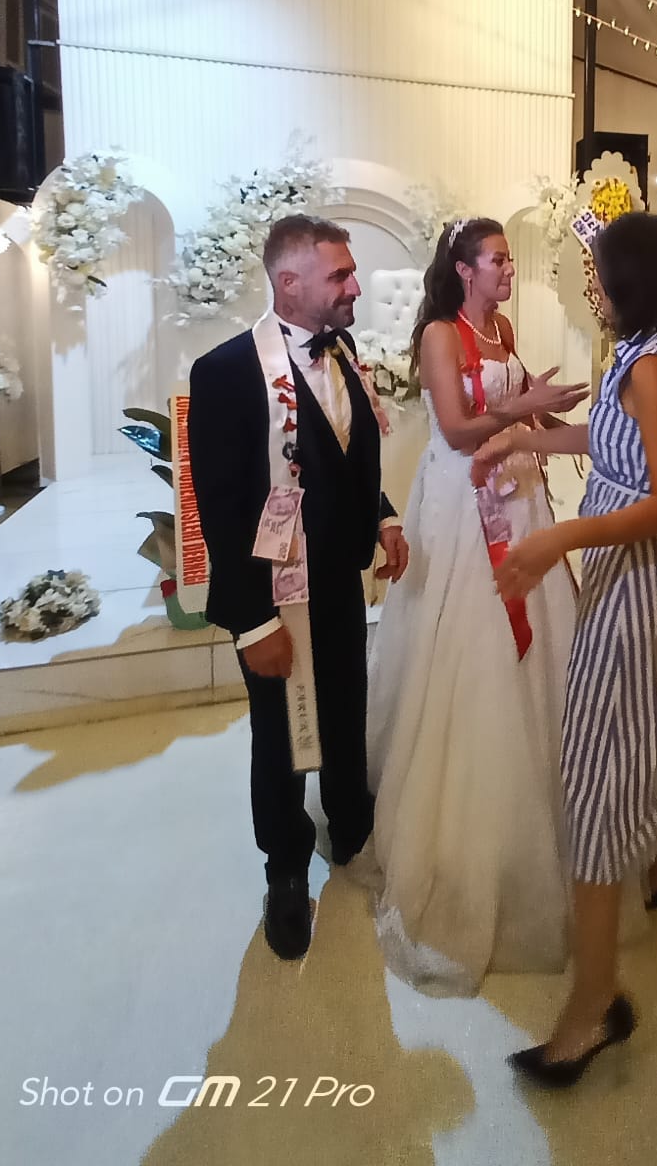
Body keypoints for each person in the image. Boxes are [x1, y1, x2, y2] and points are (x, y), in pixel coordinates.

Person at [475, 212, 657, 1087]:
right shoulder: (652, 352)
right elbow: (618, 443)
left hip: (641, 577)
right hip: (642, 569)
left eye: (598, 273)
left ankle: (594, 1001)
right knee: (645, 729)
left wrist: (556, 538)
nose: (590, 287)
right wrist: (530, 435)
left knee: (599, 763)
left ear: (629, 281)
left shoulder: (649, 364)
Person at [366, 218, 587, 995]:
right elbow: (460, 431)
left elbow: (524, 417)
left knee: (537, 640)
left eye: (509, 259)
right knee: (468, 643)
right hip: (464, 506)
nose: (508, 269)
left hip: (518, 498)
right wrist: (524, 404)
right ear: (464, 269)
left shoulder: (504, 328)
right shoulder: (441, 333)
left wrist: (560, 420)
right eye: (497, 260)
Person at [188, 216, 408, 961]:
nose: (355, 287)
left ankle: (349, 825)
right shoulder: (225, 373)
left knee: (346, 702)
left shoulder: (343, 352)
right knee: (280, 733)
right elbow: (222, 507)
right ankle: (284, 866)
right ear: (289, 283)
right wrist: (253, 624)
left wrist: (383, 517)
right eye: (340, 275)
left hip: (338, 576)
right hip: (273, 592)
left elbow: (346, 460)